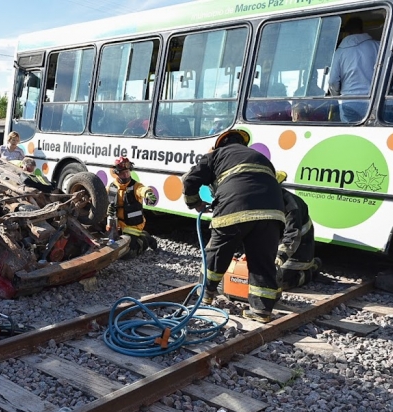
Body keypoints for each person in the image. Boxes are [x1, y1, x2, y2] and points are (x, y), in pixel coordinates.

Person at [182, 129, 285, 322]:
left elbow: (190, 179)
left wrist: (194, 203)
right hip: (273, 212)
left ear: (221, 144)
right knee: (263, 261)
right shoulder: (260, 157)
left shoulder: (217, 155)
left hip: (234, 207)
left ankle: (204, 297)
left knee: (218, 253)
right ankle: (261, 311)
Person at [328, 17, 380, 121]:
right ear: (362, 28)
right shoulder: (377, 45)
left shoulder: (340, 52)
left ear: (347, 31)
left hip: (349, 101)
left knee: (351, 135)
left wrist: (337, 96)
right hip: (373, 99)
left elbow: (333, 81)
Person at [276, 172, 321, 290]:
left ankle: (311, 270)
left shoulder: (291, 206)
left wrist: (279, 257)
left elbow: (292, 236)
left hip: (299, 250)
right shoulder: (266, 201)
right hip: (278, 246)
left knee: (280, 281)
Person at [106, 156, 158, 259]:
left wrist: (148, 193)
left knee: (127, 253)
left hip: (133, 226)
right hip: (117, 226)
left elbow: (142, 189)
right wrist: (107, 210)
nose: (126, 175)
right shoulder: (112, 187)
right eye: (122, 173)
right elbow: (106, 202)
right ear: (117, 173)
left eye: (127, 172)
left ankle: (145, 239)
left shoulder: (136, 186)